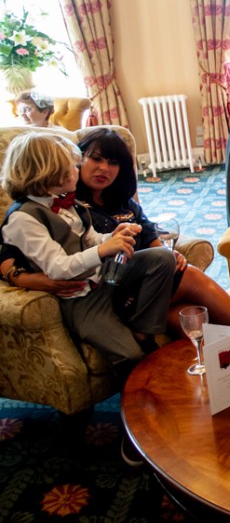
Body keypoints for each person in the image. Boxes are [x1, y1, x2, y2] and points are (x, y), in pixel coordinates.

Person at [0, 128, 230, 333]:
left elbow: (149, 233)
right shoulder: (58, 201)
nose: (104, 168)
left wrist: (167, 254)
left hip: (143, 282)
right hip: (103, 289)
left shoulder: (124, 202)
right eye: (96, 158)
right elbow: (8, 247)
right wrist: (23, 278)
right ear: (76, 161)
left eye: (114, 163)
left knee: (188, 315)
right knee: (191, 280)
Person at [0, 132, 176, 367]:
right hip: (81, 298)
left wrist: (111, 237)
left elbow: (90, 238)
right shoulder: (24, 218)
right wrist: (104, 251)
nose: (78, 170)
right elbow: (58, 267)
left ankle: (142, 331)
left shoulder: (66, 201)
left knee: (162, 258)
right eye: (74, 166)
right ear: (50, 172)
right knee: (130, 356)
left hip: (106, 277)